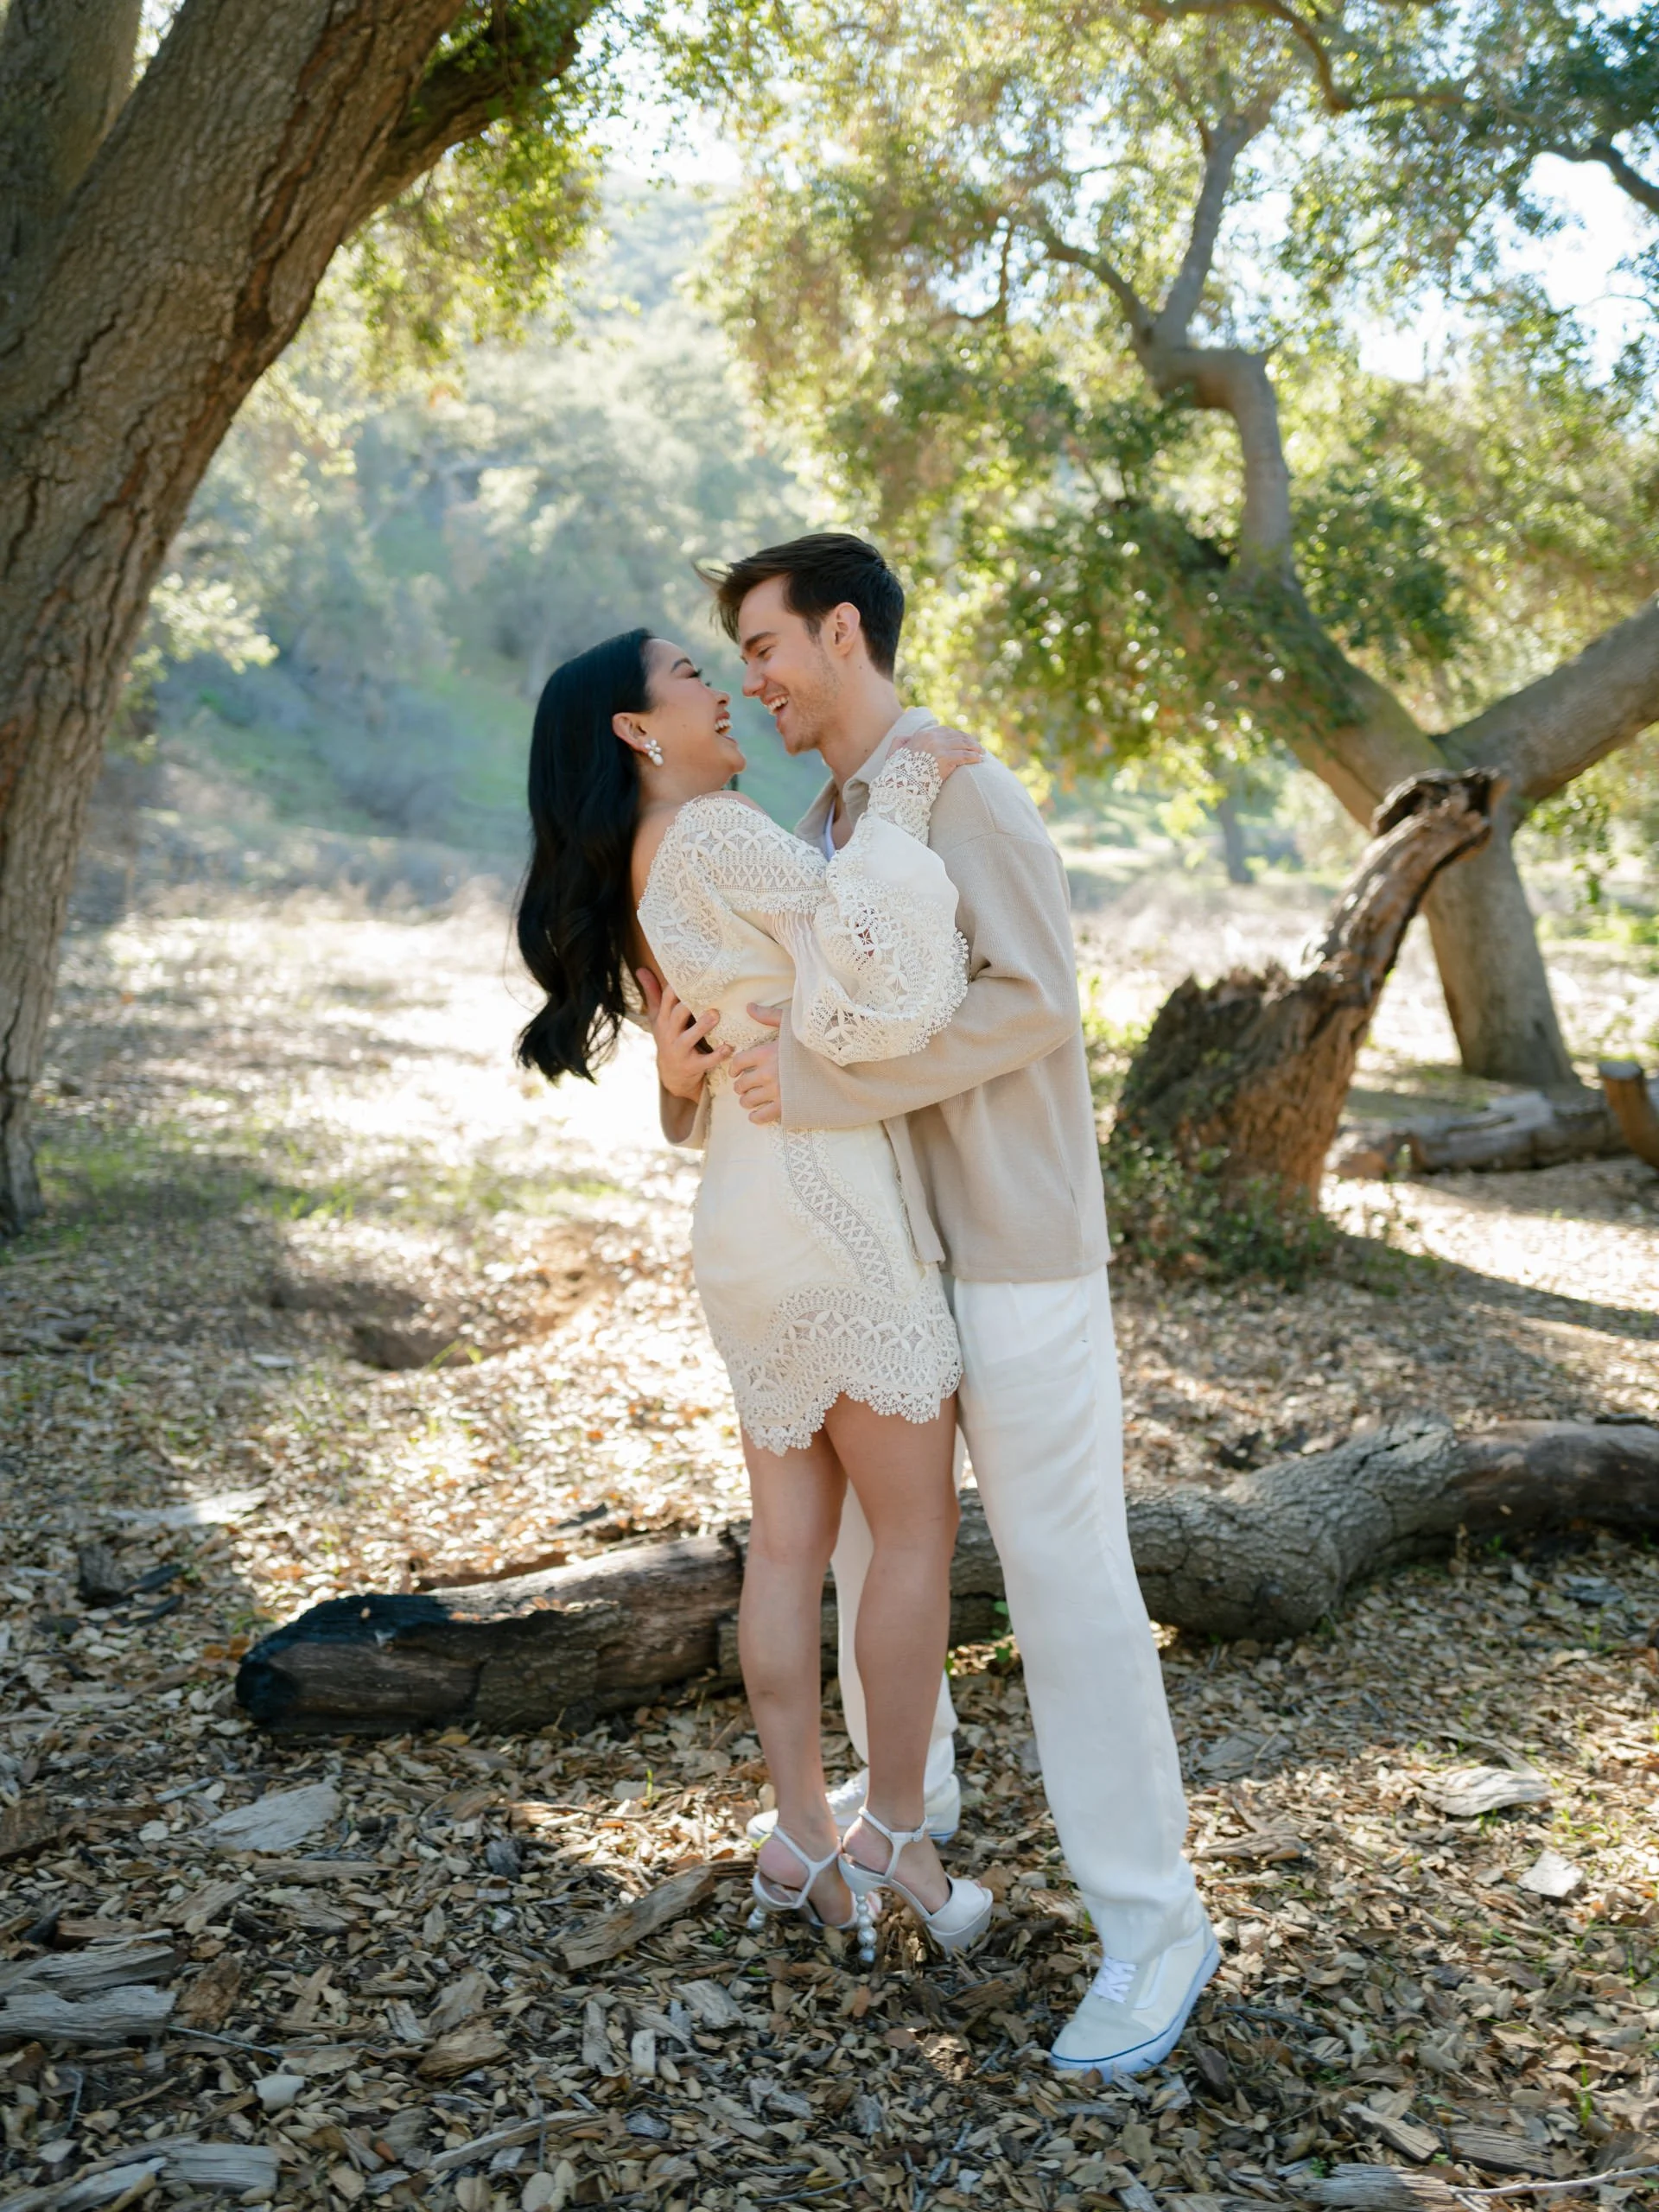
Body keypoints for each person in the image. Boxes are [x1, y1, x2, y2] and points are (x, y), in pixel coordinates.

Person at [645, 535, 1216, 2077]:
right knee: (853, 1550)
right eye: (732, 662)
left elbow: (1035, 998)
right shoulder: (819, 818)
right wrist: (693, 1080)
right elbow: (749, 1035)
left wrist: (828, 1076)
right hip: (881, 1257)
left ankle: (1155, 1929)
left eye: (763, 647)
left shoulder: (961, 786)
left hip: (1013, 1249)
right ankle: (911, 1821)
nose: (751, 681)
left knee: (1063, 1581)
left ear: (844, 633)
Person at [514, 626, 994, 1956]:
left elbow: (696, 1062)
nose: (721, 689)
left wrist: (681, 1081)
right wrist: (900, 793)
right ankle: (898, 1831)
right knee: (911, 1536)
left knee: (789, 1546)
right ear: (636, 729)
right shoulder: (712, 830)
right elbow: (881, 962)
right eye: (689, 675)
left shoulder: (634, 866)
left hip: (741, 1216)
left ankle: (801, 1825)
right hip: (825, 1203)